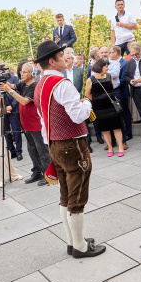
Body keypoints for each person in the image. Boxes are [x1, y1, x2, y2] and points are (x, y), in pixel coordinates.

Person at [33, 40, 104, 258]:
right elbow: (78, 115)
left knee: (65, 196)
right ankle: (80, 247)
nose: (66, 58)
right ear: (52, 61)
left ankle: (73, 241)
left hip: (55, 144)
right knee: (76, 198)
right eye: (62, 55)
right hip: (72, 144)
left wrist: (51, 143)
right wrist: (87, 103)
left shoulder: (40, 85)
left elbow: (44, 121)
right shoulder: (61, 84)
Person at [2, 62, 49, 185]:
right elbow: (11, 85)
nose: (21, 74)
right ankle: (37, 172)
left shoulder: (34, 86)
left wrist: (9, 91)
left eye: (24, 72)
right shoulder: (23, 85)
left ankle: (49, 174)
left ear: (32, 74)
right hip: (26, 124)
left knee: (42, 151)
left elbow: (23, 101)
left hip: (35, 124)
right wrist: (1, 80)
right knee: (32, 150)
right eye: (21, 71)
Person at [86, 59, 125, 157]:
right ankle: (110, 147)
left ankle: (120, 146)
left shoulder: (109, 76)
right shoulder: (91, 79)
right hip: (99, 108)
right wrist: (96, 101)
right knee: (105, 129)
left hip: (111, 105)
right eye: (106, 66)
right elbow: (87, 94)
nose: (108, 68)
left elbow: (111, 90)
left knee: (117, 127)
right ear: (100, 67)